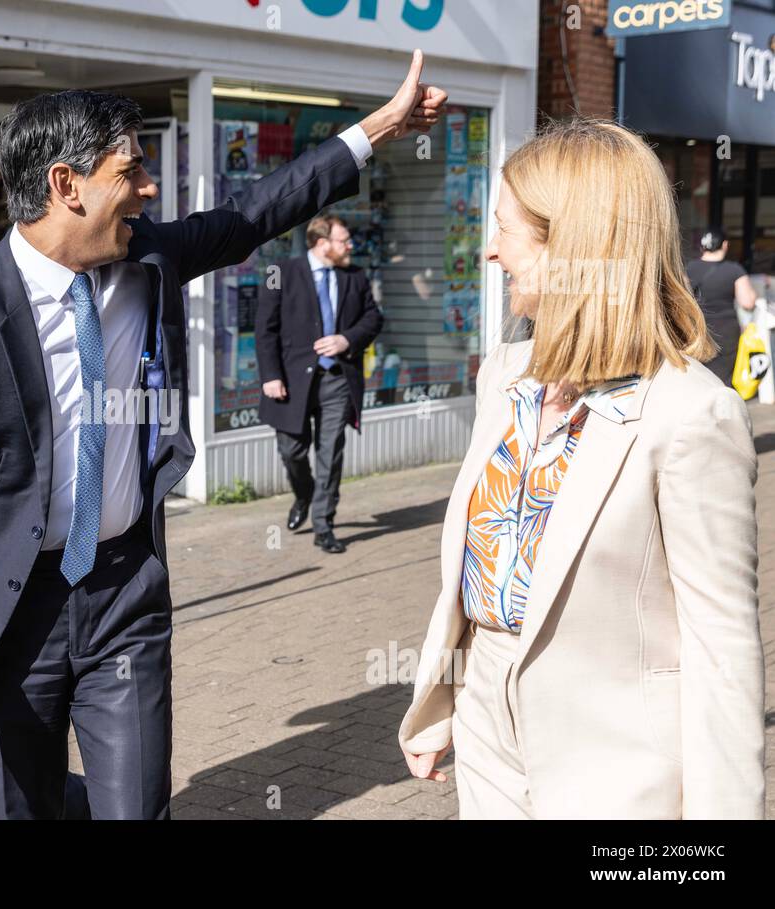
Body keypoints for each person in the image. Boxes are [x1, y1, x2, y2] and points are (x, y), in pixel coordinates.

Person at [0, 52, 447, 819]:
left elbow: (261, 210)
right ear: (64, 186)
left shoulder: (150, 258)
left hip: (124, 597)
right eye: (131, 170)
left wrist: (379, 127)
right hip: (4, 618)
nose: (148, 188)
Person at [398, 119, 765, 819]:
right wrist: (443, 700)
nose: (489, 251)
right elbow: (478, 575)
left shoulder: (690, 413)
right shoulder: (506, 374)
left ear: (570, 246)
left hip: (617, 771)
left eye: (505, 230)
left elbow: (723, 653)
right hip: (486, 735)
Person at [255, 214, 383, 553]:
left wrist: (346, 339)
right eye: (344, 240)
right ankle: (304, 494)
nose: (351, 245)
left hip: (338, 378)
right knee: (291, 451)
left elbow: (373, 318)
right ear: (322, 243)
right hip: (290, 381)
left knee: (331, 452)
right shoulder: (279, 272)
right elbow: (264, 329)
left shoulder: (355, 276)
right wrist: (270, 375)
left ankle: (324, 525)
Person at [685, 227, 757, 385]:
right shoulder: (734, 270)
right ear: (725, 245)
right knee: (722, 380)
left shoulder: (689, 268)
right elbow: (747, 302)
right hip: (726, 330)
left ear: (702, 246)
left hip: (696, 328)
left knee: (697, 376)